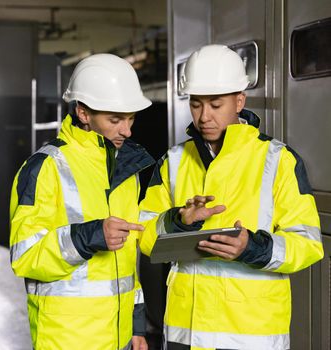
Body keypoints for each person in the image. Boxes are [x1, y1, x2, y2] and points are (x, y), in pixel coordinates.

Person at [137, 44, 324, 350]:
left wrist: (252, 247)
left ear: (239, 101)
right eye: (196, 104)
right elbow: (143, 235)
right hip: (186, 334)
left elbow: (308, 244)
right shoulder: (173, 162)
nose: (204, 116)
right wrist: (177, 222)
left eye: (215, 104)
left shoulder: (278, 160)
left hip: (251, 337)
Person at [9, 53, 155, 350]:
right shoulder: (45, 167)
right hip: (67, 338)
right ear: (84, 113)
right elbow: (25, 255)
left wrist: (135, 324)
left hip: (119, 336)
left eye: (131, 118)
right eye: (115, 119)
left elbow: (126, 265)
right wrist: (90, 237)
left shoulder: (125, 170)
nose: (127, 131)